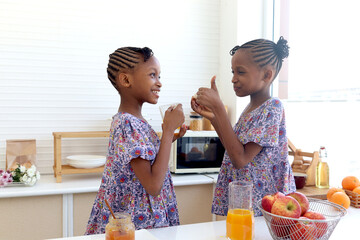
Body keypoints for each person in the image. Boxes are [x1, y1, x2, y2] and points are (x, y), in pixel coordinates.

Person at [191, 37, 296, 217]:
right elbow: (233, 147)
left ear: (266, 75)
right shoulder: (249, 109)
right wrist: (214, 117)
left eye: (240, 72)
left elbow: (241, 159)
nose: (233, 79)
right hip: (246, 198)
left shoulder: (272, 107)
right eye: (233, 72)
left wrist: (219, 109)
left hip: (262, 201)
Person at [85, 47, 186, 234]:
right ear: (126, 80)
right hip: (138, 225)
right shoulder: (127, 124)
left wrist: (170, 136)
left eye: (159, 76)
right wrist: (169, 129)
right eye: (152, 75)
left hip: (142, 220)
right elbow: (153, 185)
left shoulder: (134, 121)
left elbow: (144, 157)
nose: (159, 83)